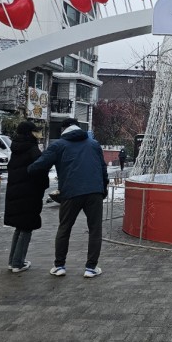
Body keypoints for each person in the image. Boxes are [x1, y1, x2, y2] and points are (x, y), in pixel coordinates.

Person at [28, 118, 108, 278]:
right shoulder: (94, 144)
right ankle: (91, 268)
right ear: (78, 128)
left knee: (64, 228)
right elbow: (102, 168)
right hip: (94, 192)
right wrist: (103, 189)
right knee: (95, 230)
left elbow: (38, 166)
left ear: (63, 129)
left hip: (70, 193)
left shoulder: (59, 145)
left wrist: (27, 169)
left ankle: (59, 266)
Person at [4, 121, 49, 273]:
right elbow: (40, 170)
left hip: (16, 193)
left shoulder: (16, 149)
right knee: (26, 228)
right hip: (30, 194)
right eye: (35, 131)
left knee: (20, 227)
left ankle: (12, 261)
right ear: (29, 133)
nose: (37, 134)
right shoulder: (32, 149)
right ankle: (18, 263)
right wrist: (43, 185)